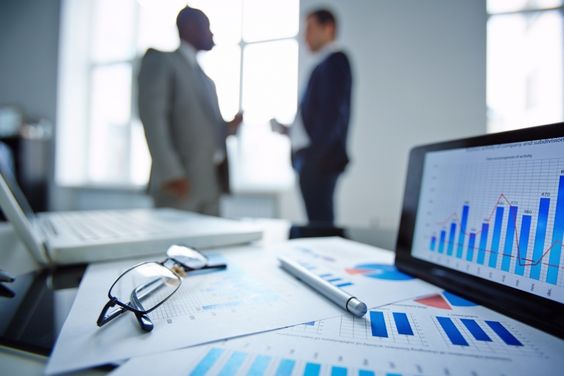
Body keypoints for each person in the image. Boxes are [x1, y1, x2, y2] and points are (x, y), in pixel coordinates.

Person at [137, 6, 242, 216]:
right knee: (175, 245)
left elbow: (206, 130)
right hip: (180, 182)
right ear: (190, 27)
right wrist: (170, 174)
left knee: (211, 246)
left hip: (210, 182)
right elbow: (153, 119)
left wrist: (228, 127)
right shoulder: (161, 62)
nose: (212, 34)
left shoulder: (207, 80)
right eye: (207, 27)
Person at [272, 9, 352, 225]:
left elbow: (332, 117)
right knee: (316, 219)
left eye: (309, 28)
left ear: (328, 29)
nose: (304, 36)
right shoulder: (321, 66)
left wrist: (314, 159)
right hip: (311, 158)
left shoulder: (335, 62)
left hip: (319, 160)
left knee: (320, 223)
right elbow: (316, 119)